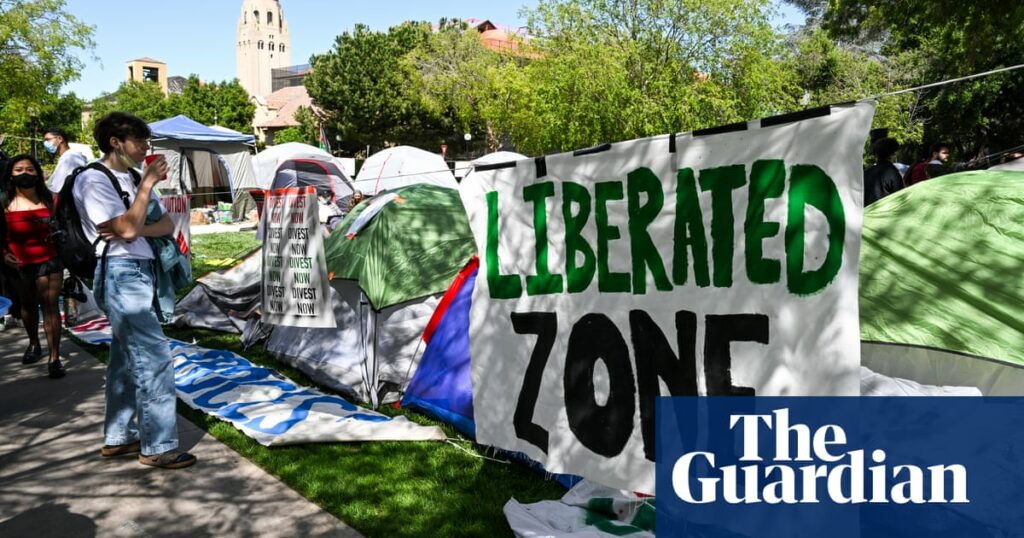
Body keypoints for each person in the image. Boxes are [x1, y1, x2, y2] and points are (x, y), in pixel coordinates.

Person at [73, 112, 196, 469]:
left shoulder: (127, 177)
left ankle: (118, 437)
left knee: (127, 360)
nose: (146, 149)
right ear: (115, 142)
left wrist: (132, 226)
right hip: (120, 272)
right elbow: (126, 228)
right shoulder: (93, 179)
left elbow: (163, 225)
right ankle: (158, 446)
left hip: (141, 270)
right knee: (155, 357)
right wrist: (144, 189)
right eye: (140, 142)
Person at [0, 155, 65, 378]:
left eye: (30, 169)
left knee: (50, 306)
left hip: (50, 260)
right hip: (17, 263)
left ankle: (54, 357)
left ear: (38, 174)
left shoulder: (51, 200)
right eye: (19, 170)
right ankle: (34, 343)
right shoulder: (3, 202)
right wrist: (4, 255)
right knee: (27, 305)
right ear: (11, 174)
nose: (25, 173)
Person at [43, 128, 88, 193]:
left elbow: (57, 190)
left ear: (60, 139)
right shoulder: (68, 157)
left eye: (47, 140)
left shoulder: (69, 159)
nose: (45, 143)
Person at [863, 138, 904, 206]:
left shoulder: (867, 172)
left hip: (867, 214)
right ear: (892, 154)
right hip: (886, 214)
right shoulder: (893, 173)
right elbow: (900, 198)